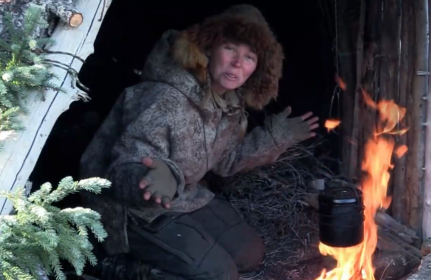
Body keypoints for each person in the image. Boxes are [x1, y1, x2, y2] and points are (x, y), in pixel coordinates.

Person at [78, 5, 319, 280]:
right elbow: (123, 166)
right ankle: (120, 268)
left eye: (249, 57)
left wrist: (277, 137)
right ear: (208, 48)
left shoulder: (228, 104)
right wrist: (149, 178)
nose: (238, 63)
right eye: (230, 49)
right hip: (130, 212)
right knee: (219, 274)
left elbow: (227, 162)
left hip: (184, 196)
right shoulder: (164, 96)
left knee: (251, 254)